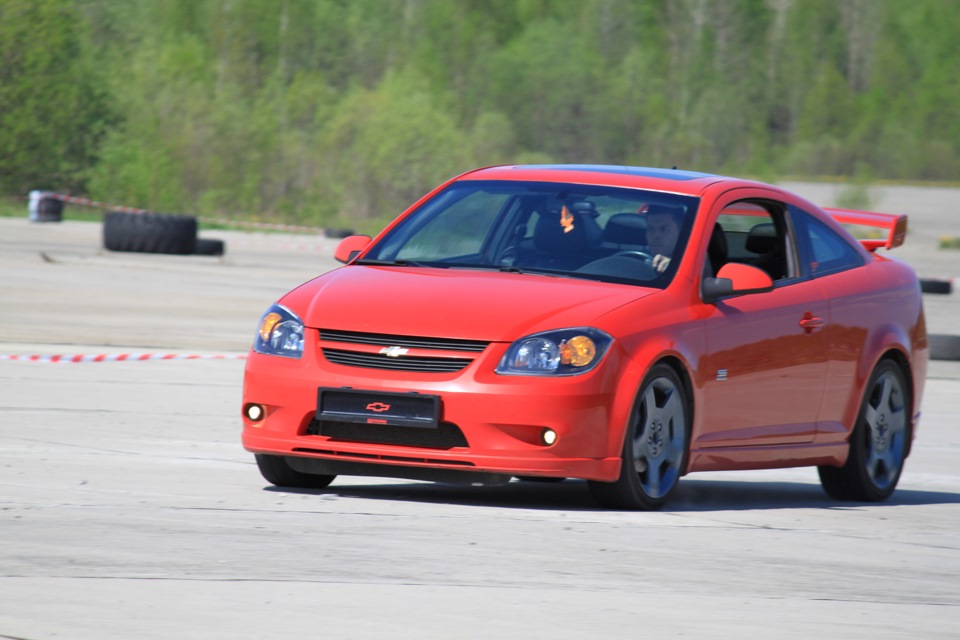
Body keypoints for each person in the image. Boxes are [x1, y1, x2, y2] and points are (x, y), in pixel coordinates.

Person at [645, 204, 684, 272]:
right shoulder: (633, 259)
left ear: (680, 232)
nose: (655, 236)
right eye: (651, 229)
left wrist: (674, 267)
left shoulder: (692, 263)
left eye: (664, 229)